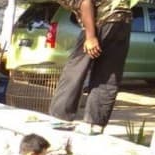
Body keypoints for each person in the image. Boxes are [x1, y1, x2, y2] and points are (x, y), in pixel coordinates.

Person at [48, 0, 132, 135]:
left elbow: (85, 2)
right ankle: (95, 124)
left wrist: (91, 36)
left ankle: (61, 117)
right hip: (123, 20)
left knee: (76, 67)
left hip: (103, 19)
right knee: (107, 73)